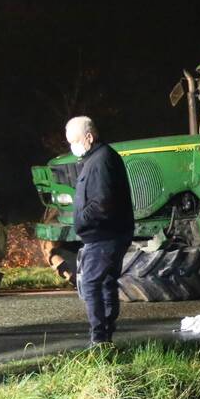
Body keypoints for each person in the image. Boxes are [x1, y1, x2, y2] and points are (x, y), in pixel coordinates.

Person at [66, 116, 135, 346]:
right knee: (105, 283)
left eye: (74, 141)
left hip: (104, 235)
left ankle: (99, 339)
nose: (72, 147)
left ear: (89, 136)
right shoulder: (99, 158)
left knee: (91, 285)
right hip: (106, 234)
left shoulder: (101, 160)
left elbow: (103, 203)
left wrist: (81, 220)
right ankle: (105, 337)